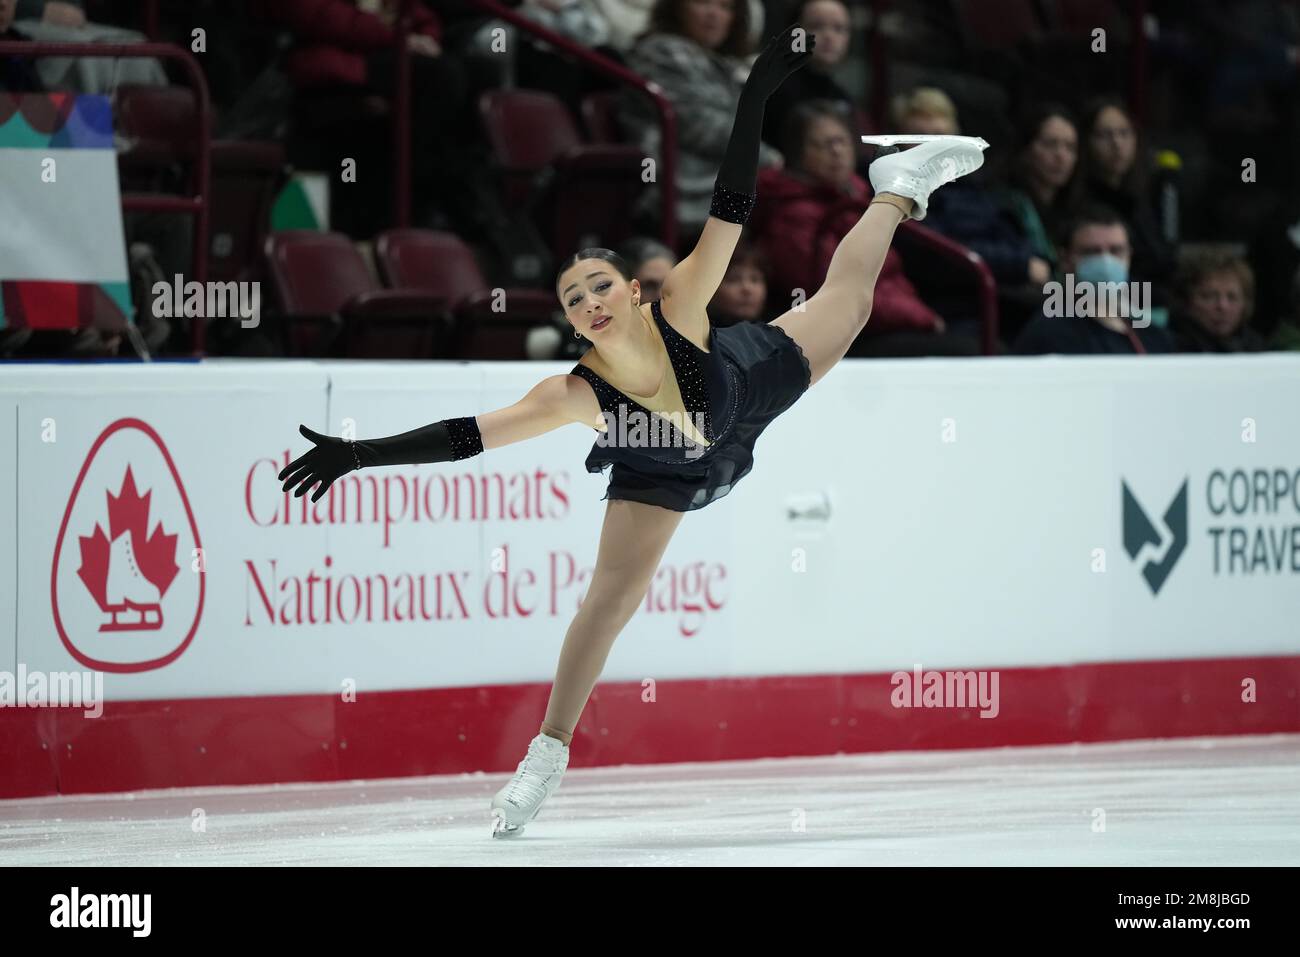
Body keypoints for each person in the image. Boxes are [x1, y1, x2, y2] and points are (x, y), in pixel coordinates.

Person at [279, 24, 987, 837]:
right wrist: (358, 455)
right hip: (661, 471)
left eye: (601, 284)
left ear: (634, 294)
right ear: (578, 324)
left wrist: (756, 93)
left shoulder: (683, 303)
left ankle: (895, 187)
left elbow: (730, 207)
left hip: (742, 386)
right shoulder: (577, 391)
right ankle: (543, 761)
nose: (589, 300)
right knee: (605, 607)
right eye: (575, 297)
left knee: (853, 303)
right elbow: (467, 435)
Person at [1013, 206, 1176, 355]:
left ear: (1129, 257)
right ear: (1065, 260)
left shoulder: (1154, 336)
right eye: (1091, 252)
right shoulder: (1048, 335)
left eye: (1116, 250)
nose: (1105, 260)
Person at [1170, 249, 1267, 352]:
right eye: (1209, 296)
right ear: (1186, 300)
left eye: (1232, 297)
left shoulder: (1256, 347)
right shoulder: (1170, 347)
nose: (1223, 306)